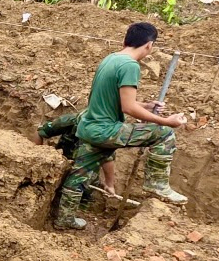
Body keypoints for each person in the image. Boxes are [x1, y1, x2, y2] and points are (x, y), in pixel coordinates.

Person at [53, 22, 188, 230]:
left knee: (79, 174)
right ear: (149, 45)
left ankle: (64, 219)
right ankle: (156, 183)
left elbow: (112, 100)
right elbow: (128, 107)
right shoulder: (130, 66)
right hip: (106, 130)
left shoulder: (111, 59)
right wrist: (166, 121)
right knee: (164, 134)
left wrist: (146, 106)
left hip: (89, 128)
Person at [37, 112, 116, 196]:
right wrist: (36, 159)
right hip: (59, 171)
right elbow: (39, 133)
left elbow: (107, 159)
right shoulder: (68, 121)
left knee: (79, 200)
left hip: (85, 176)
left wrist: (109, 184)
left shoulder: (102, 133)